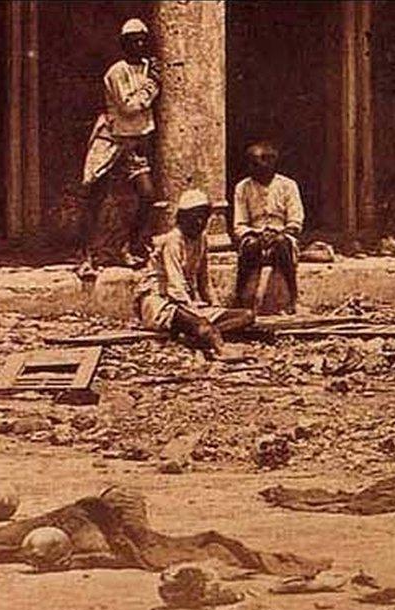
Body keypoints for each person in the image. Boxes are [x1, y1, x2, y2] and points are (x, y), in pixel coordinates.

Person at [77, 18, 161, 271]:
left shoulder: (149, 67)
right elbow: (129, 107)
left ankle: (129, 246)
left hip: (135, 144)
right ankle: (86, 257)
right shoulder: (117, 71)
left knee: (147, 196)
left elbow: (143, 116)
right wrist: (152, 85)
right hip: (112, 141)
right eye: (133, 40)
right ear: (124, 44)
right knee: (96, 197)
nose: (139, 44)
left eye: (142, 39)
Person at [135, 189, 254, 358]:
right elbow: (174, 285)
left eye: (204, 217)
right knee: (202, 325)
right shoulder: (173, 240)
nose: (199, 222)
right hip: (160, 300)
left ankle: (193, 334)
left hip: (186, 302)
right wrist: (194, 311)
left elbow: (204, 280)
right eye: (194, 217)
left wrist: (215, 306)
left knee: (247, 316)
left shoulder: (202, 239)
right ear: (183, 218)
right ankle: (219, 348)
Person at [232, 141, 305, 314]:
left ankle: (293, 295)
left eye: (256, 163)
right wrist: (254, 234)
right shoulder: (242, 187)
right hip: (254, 234)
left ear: (271, 162)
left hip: (282, 233)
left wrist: (279, 232)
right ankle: (240, 296)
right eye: (250, 163)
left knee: (281, 244)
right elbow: (239, 224)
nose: (252, 168)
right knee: (250, 247)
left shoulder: (288, 185)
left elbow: (296, 221)